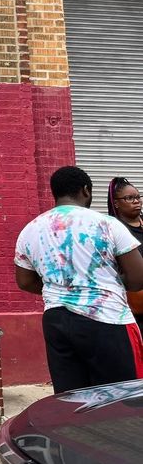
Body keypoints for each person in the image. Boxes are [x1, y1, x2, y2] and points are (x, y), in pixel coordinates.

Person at [15, 165, 143, 394]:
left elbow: (25, 281)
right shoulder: (107, 224)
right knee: (124, 398)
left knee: (72, 399)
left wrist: (65, 286)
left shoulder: (30, 229)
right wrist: (104, 281)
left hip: (56, 319)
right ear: (86, 190)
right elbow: (137, 279)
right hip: (107, 319)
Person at [108, 176, 143, 327]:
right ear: (116, 203)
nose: (136, 201)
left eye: (137, 197)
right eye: (129, 198)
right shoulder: (113, 229)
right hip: (133, 304)